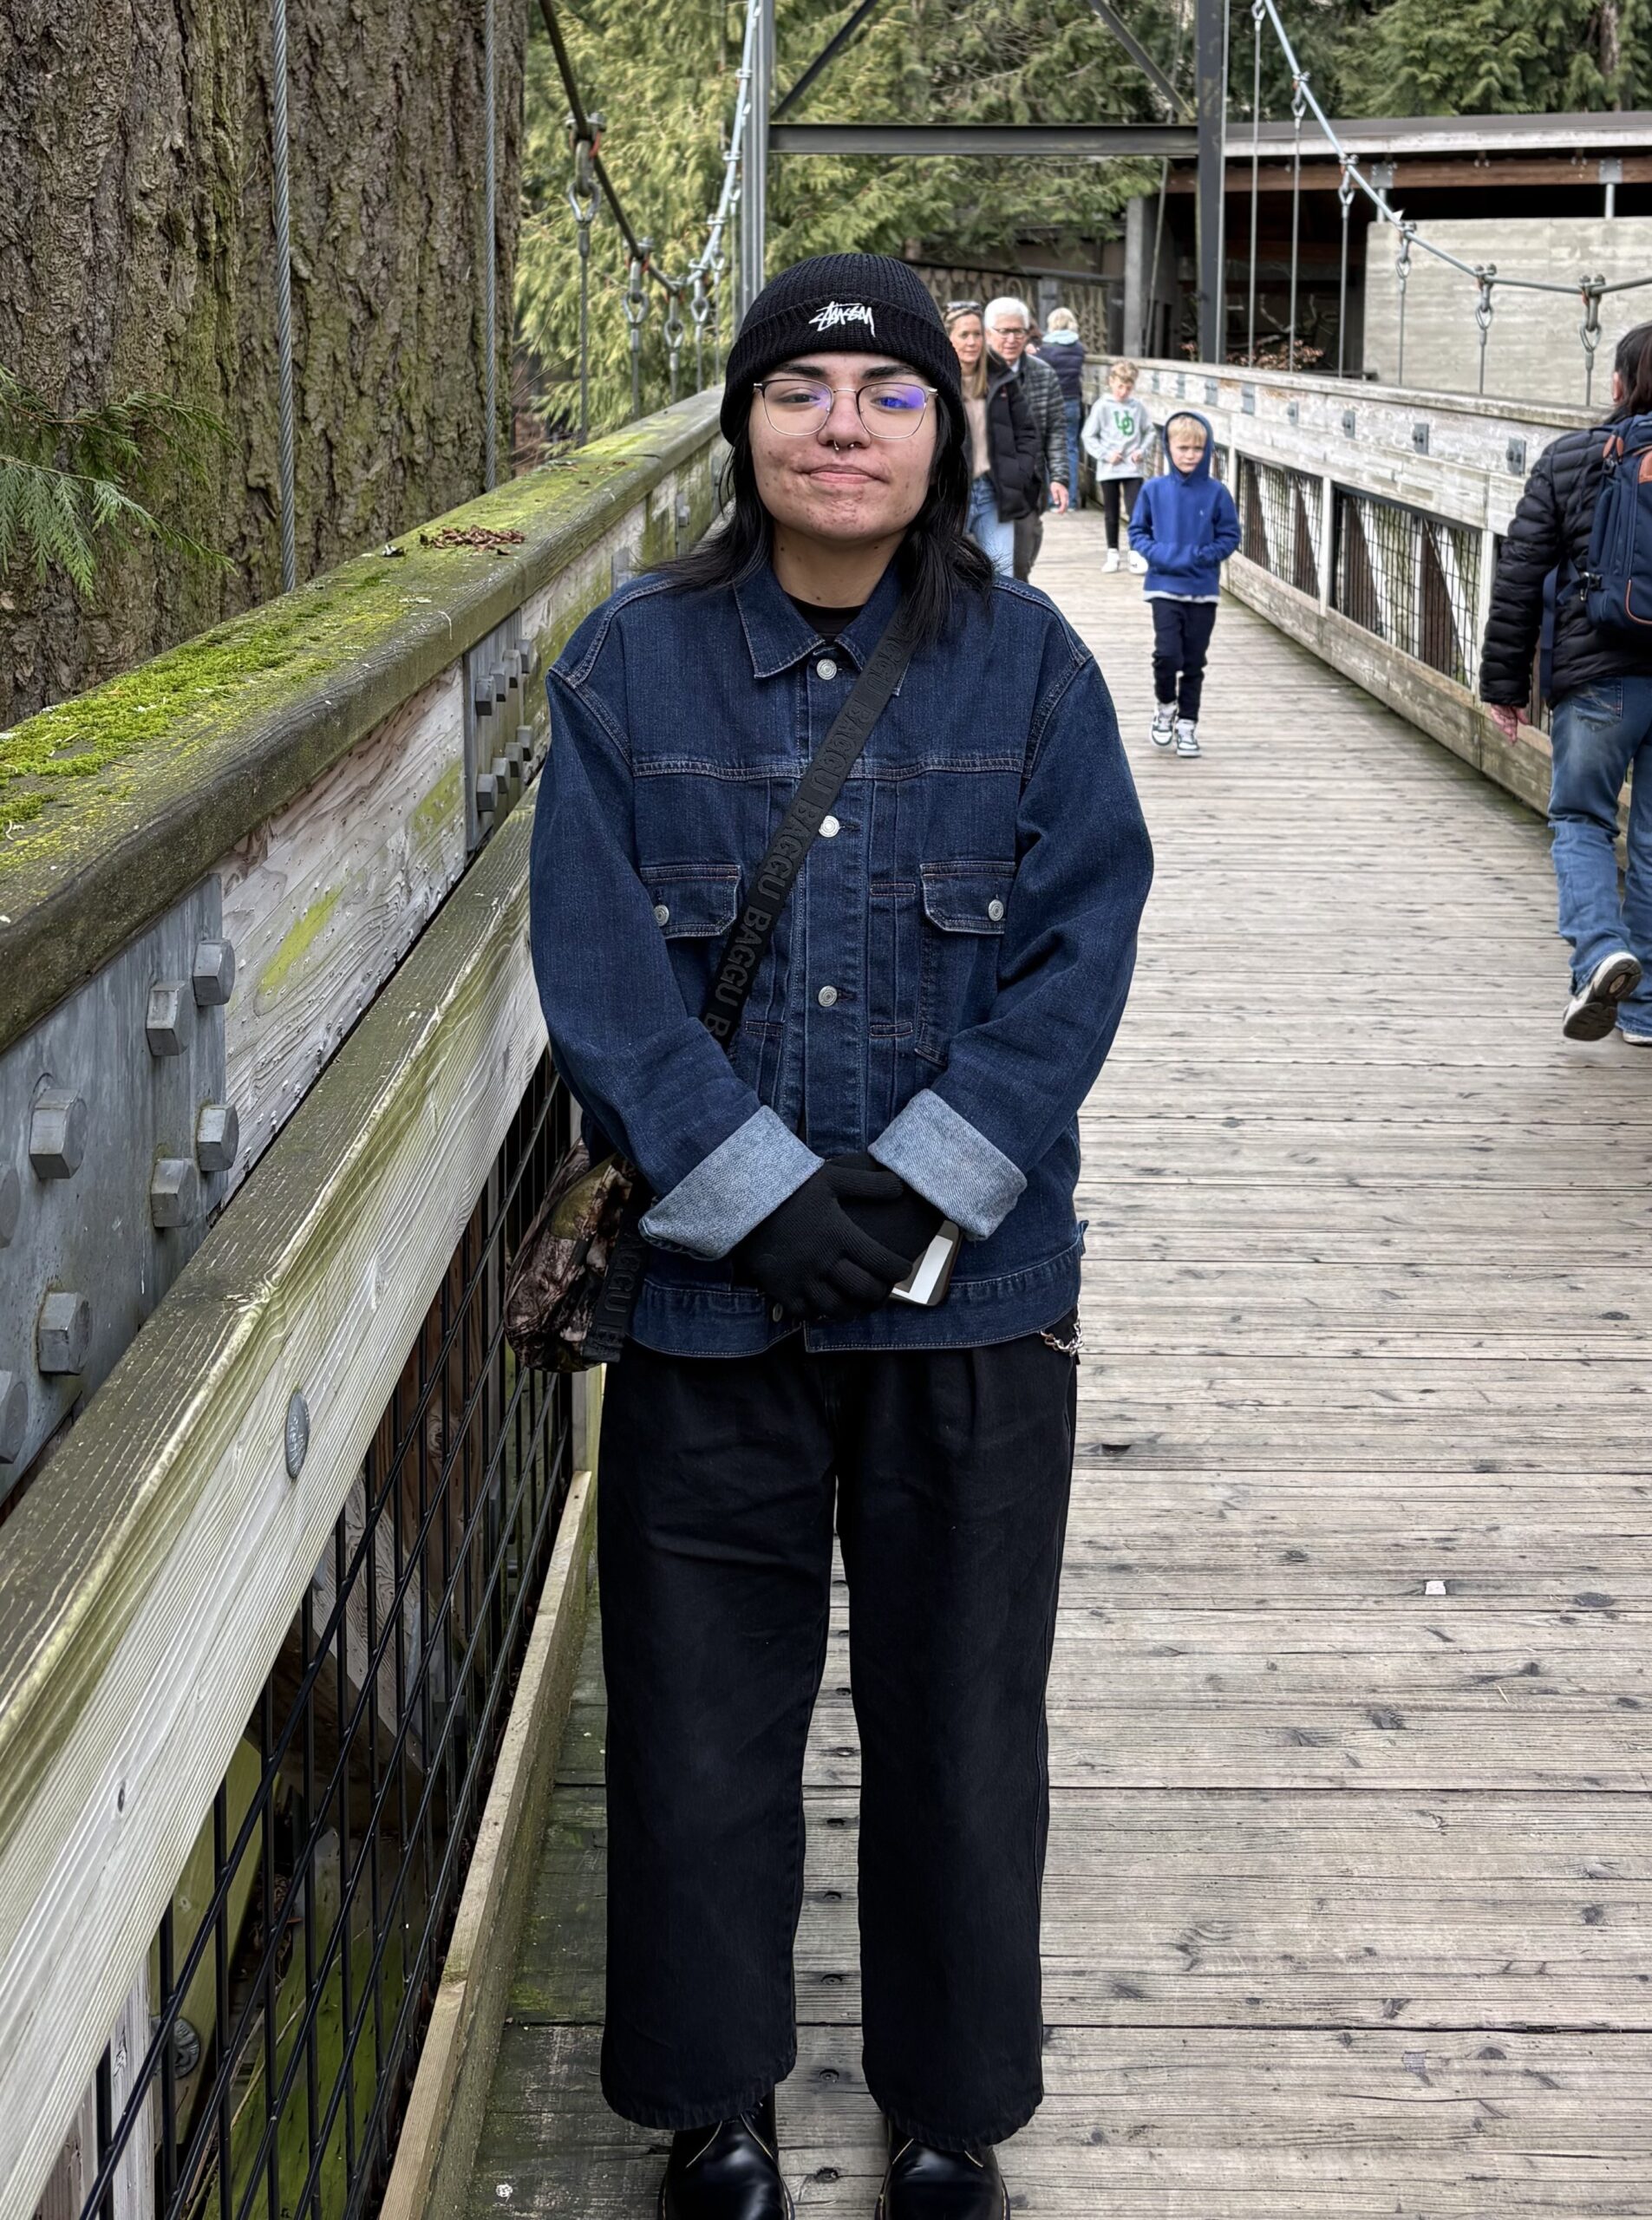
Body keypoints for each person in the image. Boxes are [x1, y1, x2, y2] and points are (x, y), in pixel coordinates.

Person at [530, 251, 1152, 2220]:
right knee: (701, 1726)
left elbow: (1077, 954)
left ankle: (951, 2104)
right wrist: (760, 1203)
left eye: (888, 394)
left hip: (974, 1307)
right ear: (742, 424)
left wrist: (908, 1190)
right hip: (715, 1316)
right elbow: (602, 973)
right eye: (801, 390)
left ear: (942, 426)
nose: (844, 427)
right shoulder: (629, 667)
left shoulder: (1033, 669)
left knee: (965, 1722)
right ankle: (710, 2105)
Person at [1480, 321, 1652, 1044]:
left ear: (1616, 383)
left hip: (1599, 677)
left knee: (1581, 820)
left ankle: (1597, 953)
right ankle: (1643, 1015)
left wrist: (1503, 682)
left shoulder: (1571, 457)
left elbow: (1518, 577)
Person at [1128, 410, 1240, 759]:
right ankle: (1165, 707)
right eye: (1183, 448)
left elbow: (1230, 535)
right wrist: (1159, 554)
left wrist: (1202, 555)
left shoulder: (1217, 493)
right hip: (1163, 585)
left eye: (1197, 448)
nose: (1189, 454)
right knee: (1166, 655)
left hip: (1203, 589)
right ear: (1169, 448)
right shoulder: (1153, 489)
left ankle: (1188, 724)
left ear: (1206, 450)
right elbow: (1137, 532)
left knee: (1193, 661)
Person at [944, 298, 1043, 576]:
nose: (972, 342)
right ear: (949, 338)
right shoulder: (935, 381)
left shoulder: (1001, 378)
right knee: (948, 576)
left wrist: (1019, 472)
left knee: (1002, 577)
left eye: (977, 334)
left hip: (994, 493)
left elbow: (1027, 432)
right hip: (951, 495)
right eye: (964, 335)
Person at [983, 295, 1068, 580]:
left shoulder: (1043, 375)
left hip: (1024, 483)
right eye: (1003, 331)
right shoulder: (972, 373)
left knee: (1019, 565)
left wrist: (1059, 477)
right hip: (980, 483)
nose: (1011, 339)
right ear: (987, 334)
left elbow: (1056, 428)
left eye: (1018, 331)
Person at [1081, 358, 1153, 572]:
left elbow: (1149, 431)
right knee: (1111, 512)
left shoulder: (1137, 407)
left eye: (1128, 387)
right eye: (1120, 386)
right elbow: (1088, 435)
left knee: (1135, 510)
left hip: (1132, 467)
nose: (1123, 391)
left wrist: (1142, 450)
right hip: (1109, 468)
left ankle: (1135, 552)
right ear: (1111, 382)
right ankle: (1112, 552)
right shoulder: (1102, 406)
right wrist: (1105, 454)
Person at [1037, 305, 1088, 508]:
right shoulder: (1079, 348)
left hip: (1051, 402)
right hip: (1073, 401)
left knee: (1051, 448)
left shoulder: (1045, 349)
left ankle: (1053, 499)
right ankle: (1071, 500)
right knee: (1071, 448)